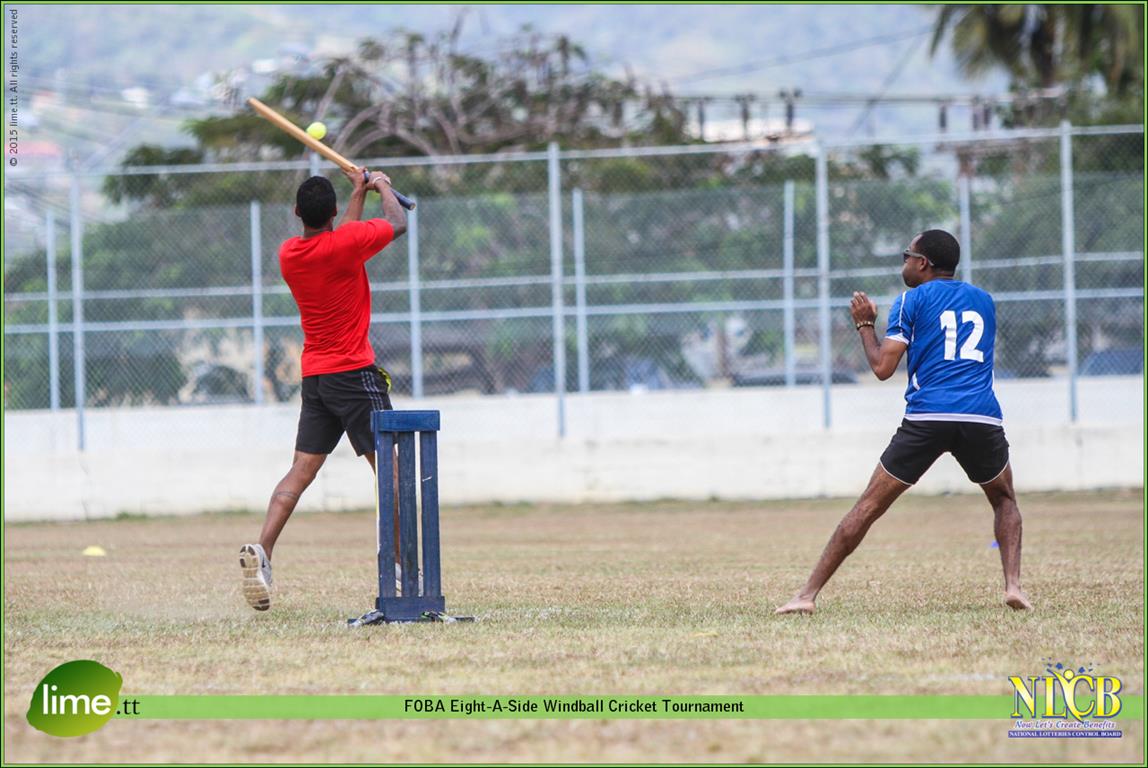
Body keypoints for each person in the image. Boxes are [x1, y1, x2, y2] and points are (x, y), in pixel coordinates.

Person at [776, 229, 1031, 615]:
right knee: (1004, 499)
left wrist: (865, 325)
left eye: (906, 256)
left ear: (923, 263)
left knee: (868, 505)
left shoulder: (910, 300)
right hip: (979, 416)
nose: (904, 263)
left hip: (928, 416)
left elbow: (882, 367)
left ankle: (806, 595)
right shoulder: (984, 300)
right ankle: (1013, 586)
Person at [240, 165, 407, 611]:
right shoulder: (346, 244)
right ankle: (398, 565)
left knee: (301, 470)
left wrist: (359, 192)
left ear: (298, 213)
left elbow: (341, 237)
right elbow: (398, 224)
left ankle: (263, 551)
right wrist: (382, 187)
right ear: (331, 212)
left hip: (316, 377)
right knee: (390, 470)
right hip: (354, 374)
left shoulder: (290, 254)